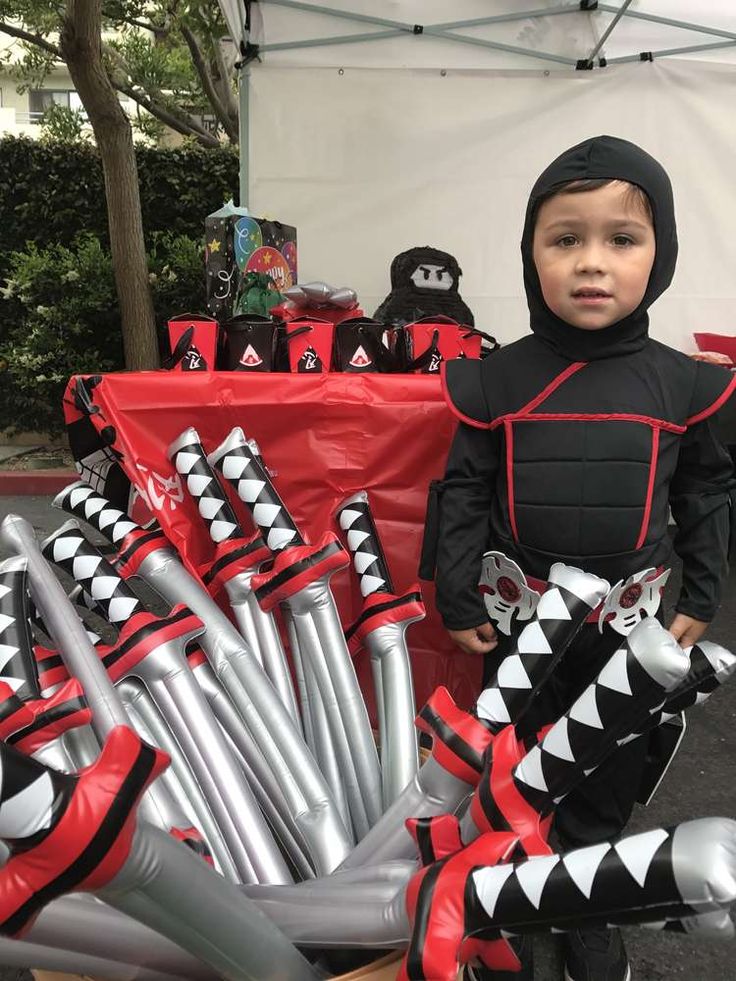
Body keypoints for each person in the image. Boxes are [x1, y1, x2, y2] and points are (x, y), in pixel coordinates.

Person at [422, 135, 736, 981]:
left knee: (609, 767)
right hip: (519, 631)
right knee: (513, 763)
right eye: (566, 239)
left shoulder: (685, 384)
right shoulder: (495, 381)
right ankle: (513, 897)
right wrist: (458, 596)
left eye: (621, 240)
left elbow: (707, 495)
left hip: (630, 629)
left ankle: (590, 902)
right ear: (531, 255)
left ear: (658, 254)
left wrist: (700, 591)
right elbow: (461, 494)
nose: (591, 264)